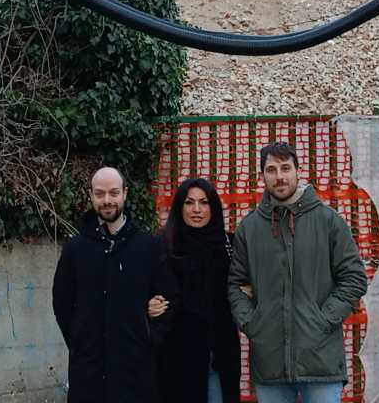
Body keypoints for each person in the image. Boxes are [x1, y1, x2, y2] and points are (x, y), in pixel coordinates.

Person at [228, 141, 368, 403]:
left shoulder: (329, 221)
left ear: (298, 171)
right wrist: (253, 324)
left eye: (285, 168)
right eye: (271, 170)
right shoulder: (249, 228)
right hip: (269, 365)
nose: (279, 177)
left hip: (321, 363)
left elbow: (354, 278)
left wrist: (323, 320)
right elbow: (236, 285)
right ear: (262, 175)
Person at [52, 166, 178, 403]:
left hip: (135, 373)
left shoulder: (148, 246)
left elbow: (169, 297)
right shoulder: (75, 249)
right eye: (100, 194)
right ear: (91, 195)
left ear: (125, 193)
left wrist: (148, 338)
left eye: (114, 193)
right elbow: (62, 302)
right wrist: (79, 343)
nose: (107, 200)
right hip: (88, 373)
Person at [147, 178, 241, 403]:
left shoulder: (229, 244)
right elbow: (141, 288)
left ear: (213, 207)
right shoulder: (161, 244)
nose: (196, 209)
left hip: (219, 355)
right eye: (189, 202)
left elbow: (245, 285)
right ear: (179, 207)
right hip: (175, 357)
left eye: (204, 202)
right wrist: (148, 305)